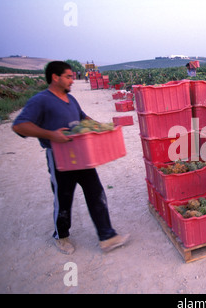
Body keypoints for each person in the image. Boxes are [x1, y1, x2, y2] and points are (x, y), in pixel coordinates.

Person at [12, 61, 129, 255]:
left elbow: (84, 118)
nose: (72, 80)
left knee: (96, 193)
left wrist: (104, 128)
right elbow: (19, 126)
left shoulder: (71, 99)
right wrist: (51, 134)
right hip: (60, 159)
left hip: (82, 156)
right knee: (63, 199)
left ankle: (107, 236)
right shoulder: (40, 100)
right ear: (55, 77)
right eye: (68, 76)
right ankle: (61, 235)